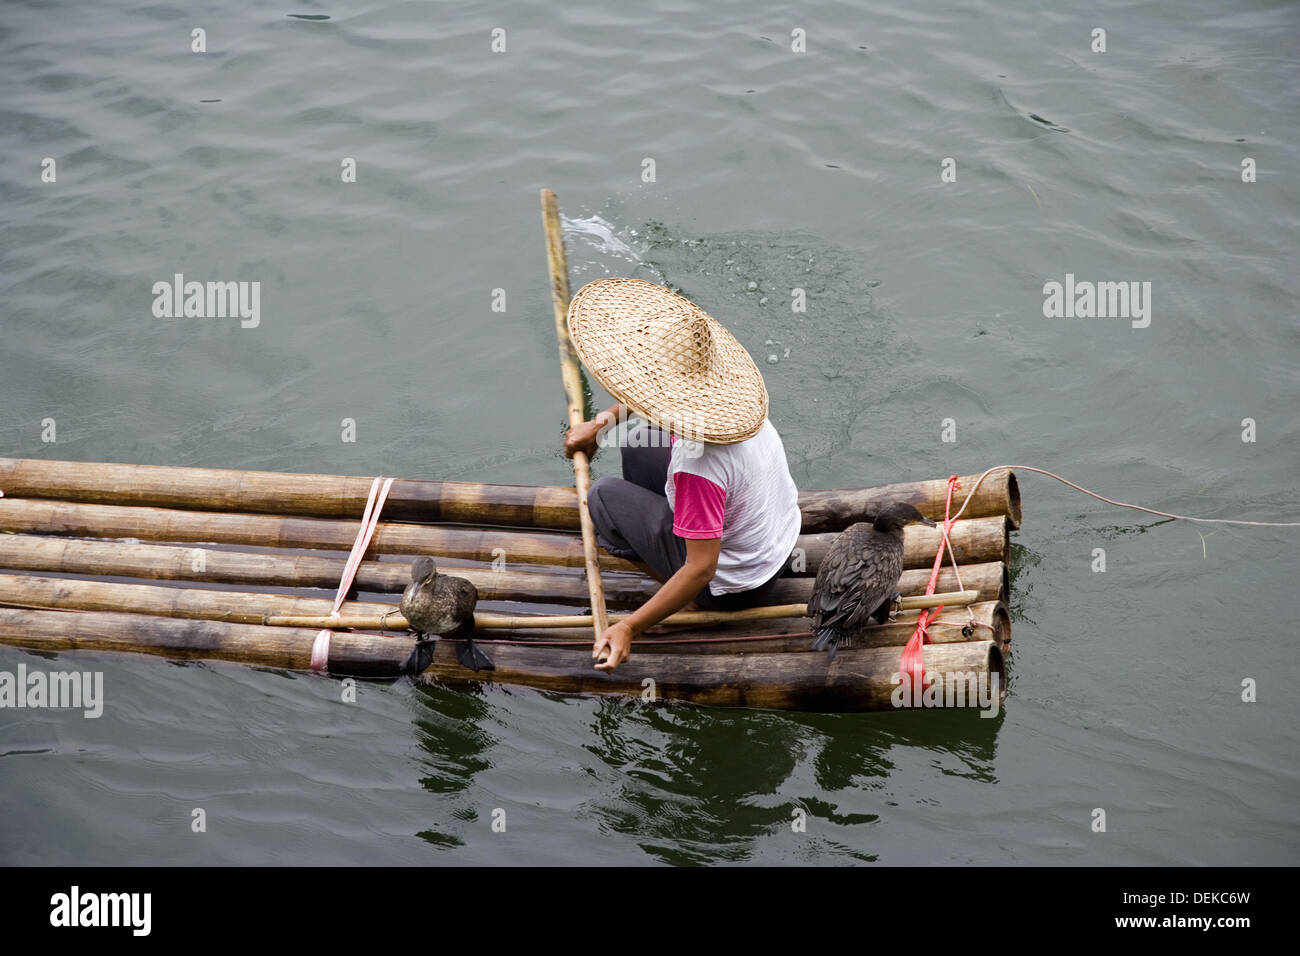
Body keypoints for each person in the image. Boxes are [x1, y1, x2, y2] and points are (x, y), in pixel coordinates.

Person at [562, 277, 801, 672]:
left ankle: (684, 595)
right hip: (777, 541)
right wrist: (602, 423)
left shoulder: (699, 467)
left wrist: (629, 627)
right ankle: (674, 532)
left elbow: (702, 567)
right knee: (638, 442)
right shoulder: (737, 409)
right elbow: (648, 394)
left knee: (603, 497)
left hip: (735, 586)